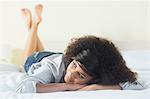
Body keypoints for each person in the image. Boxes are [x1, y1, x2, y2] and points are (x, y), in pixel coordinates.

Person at [16, 4, 145, 93]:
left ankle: (34, 26)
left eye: (80, 75)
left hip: (56, 57)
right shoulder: (52, 67)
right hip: (39, 59)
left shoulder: (98, 75)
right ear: (72, 58)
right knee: (26, 60)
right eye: (74, 65)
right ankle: (33, 27)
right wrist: (67, 87)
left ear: (96, 78)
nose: (71, 73)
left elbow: (136, 86)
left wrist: (95, 87)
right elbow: (23, 87)